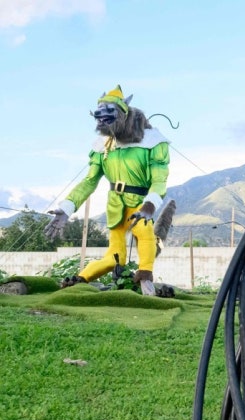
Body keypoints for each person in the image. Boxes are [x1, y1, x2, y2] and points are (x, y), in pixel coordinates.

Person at [44, 85, 170, 296]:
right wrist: (67, 208)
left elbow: (159, 180)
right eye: (99, 114)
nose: (101, 117)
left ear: (123, 113)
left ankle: (145, 277)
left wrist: (149, 205)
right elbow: (89, 181)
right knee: (116, 257)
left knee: (145, 235)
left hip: (140, 203)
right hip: (115, 205)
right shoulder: (103, 147)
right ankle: (79, 279)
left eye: (109, 112)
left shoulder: (152, 142)